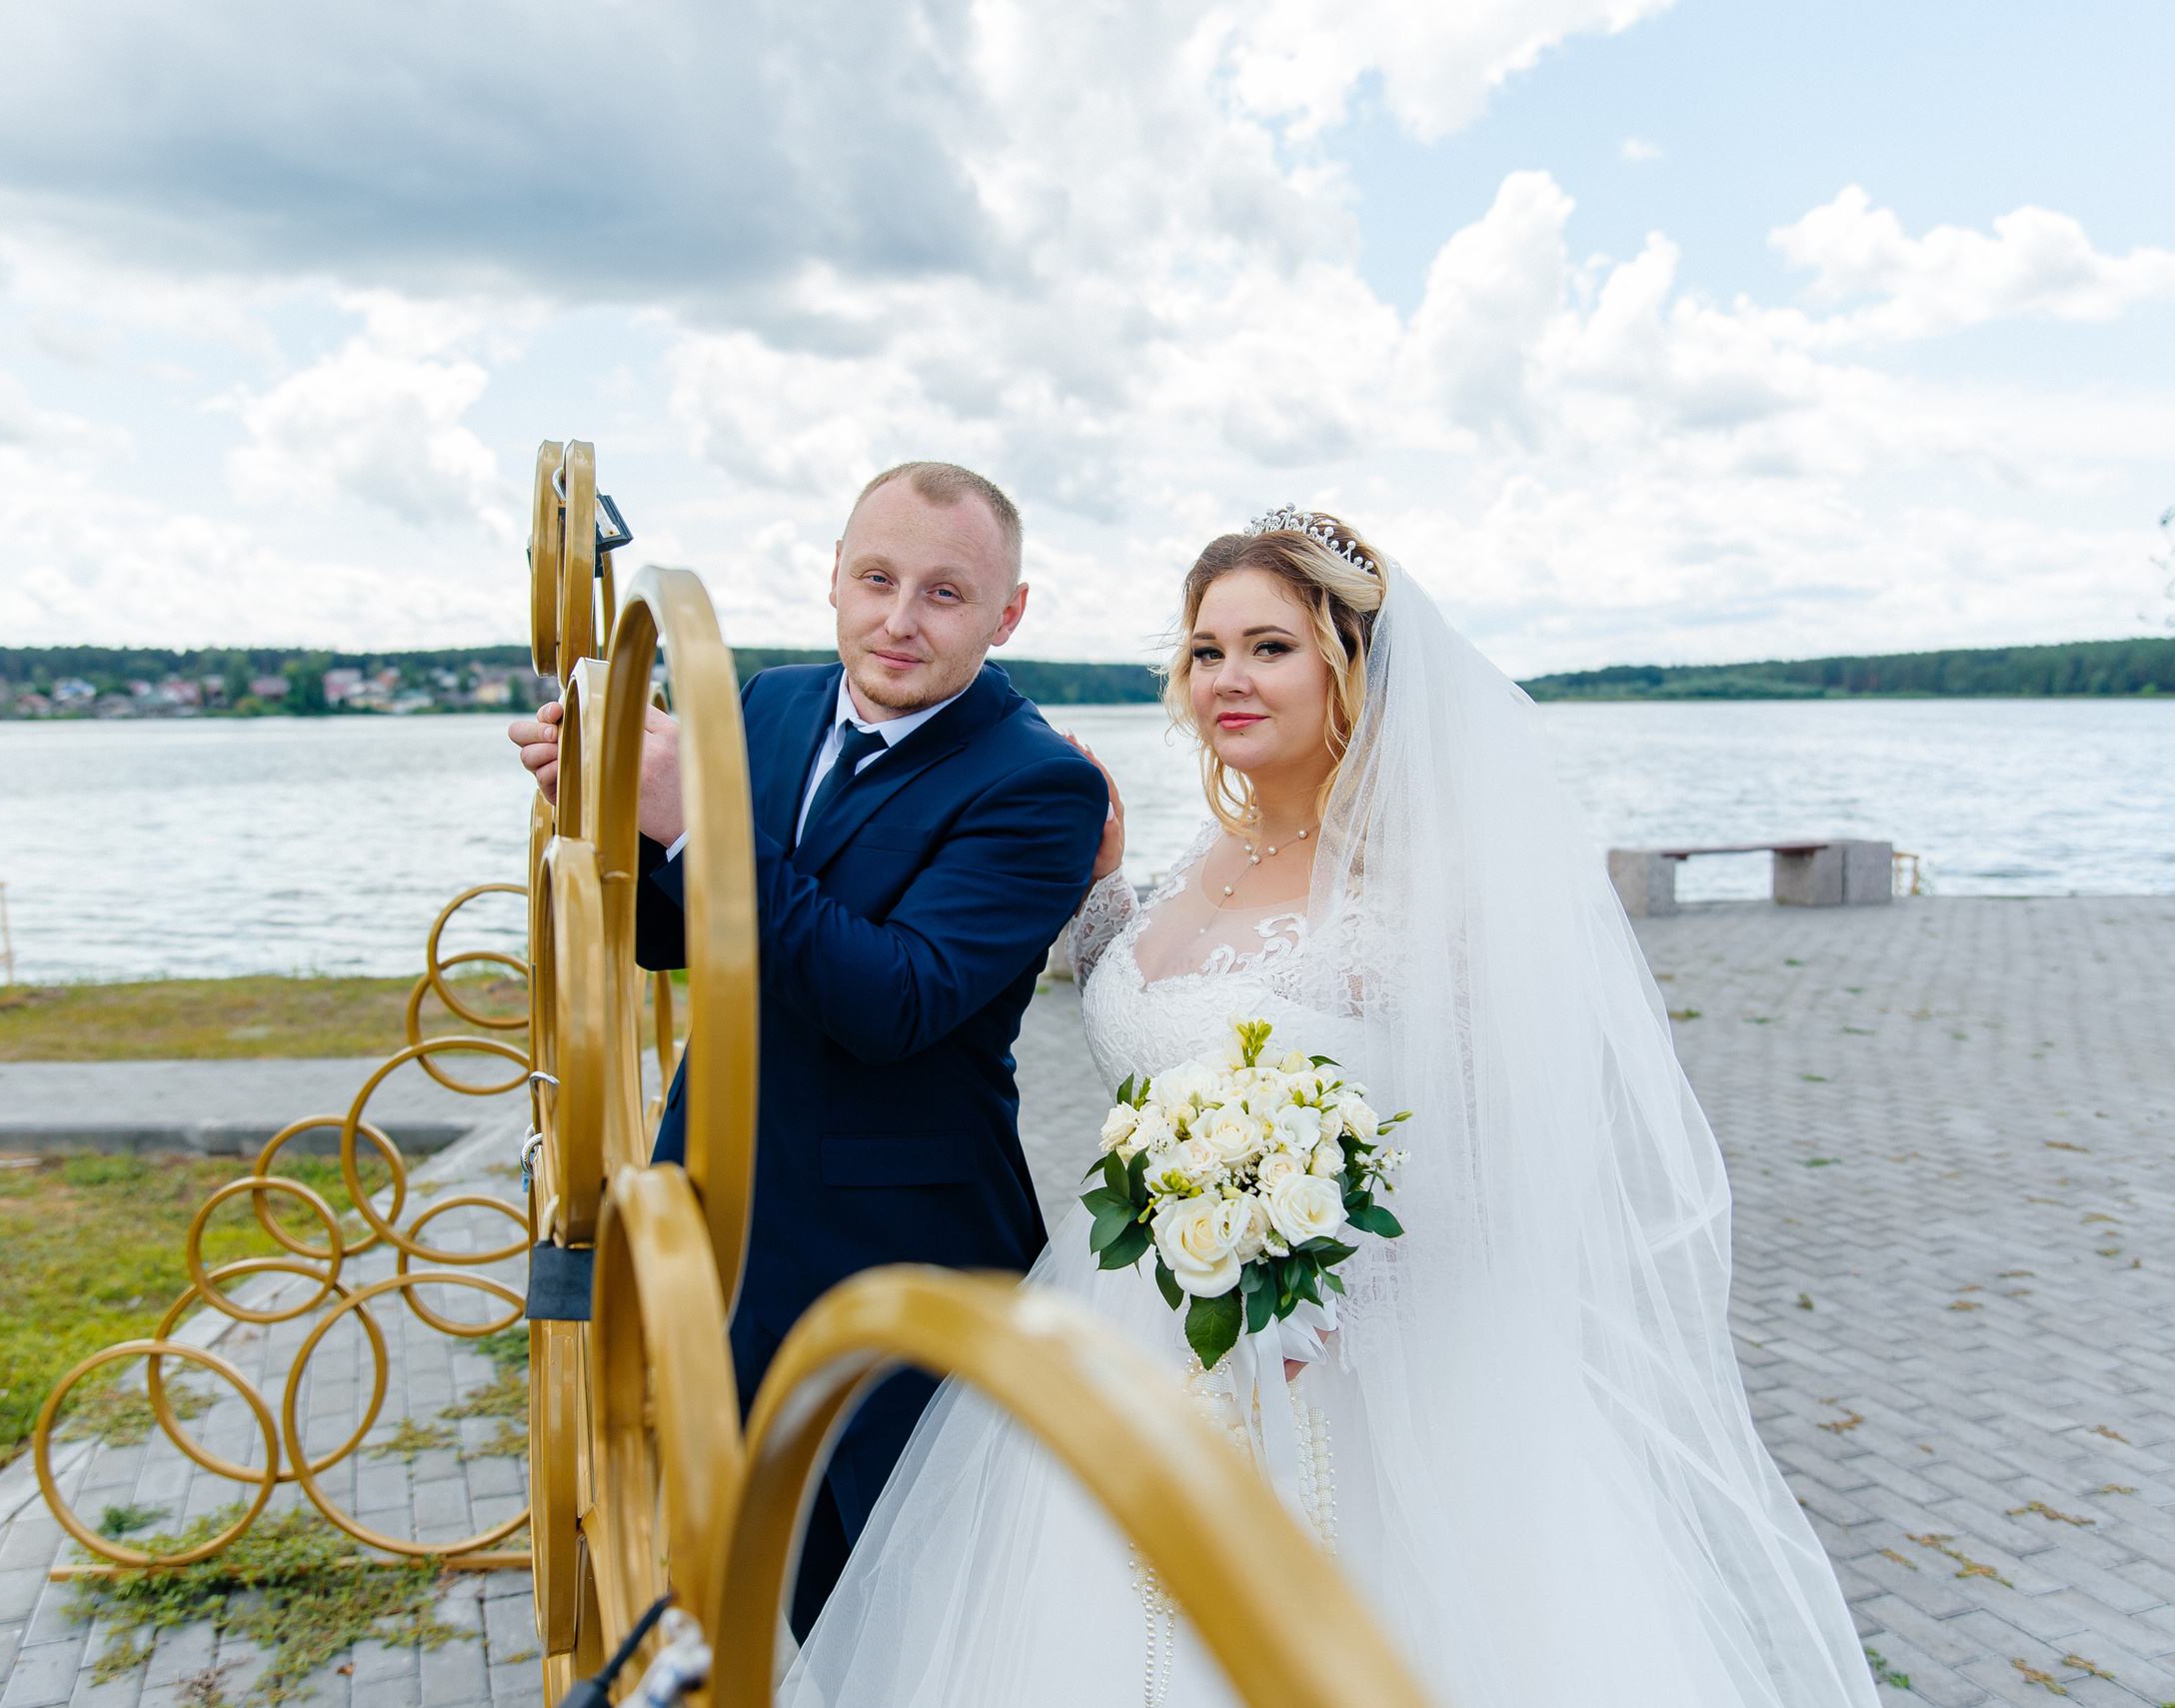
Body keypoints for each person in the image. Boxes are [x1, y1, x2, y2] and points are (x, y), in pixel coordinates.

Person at [783, 511, 1879, 1706]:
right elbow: (1147, 1025)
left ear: (1351, 667)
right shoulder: (1209, 856)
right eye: (1206, 650)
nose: (1227, 679)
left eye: (1270, 647)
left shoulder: (1426, 889)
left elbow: (1501, 1149)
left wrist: (1322, 1299)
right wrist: (1101, 888)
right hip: (1139, 1334)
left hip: (1342, 1369)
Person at [506, 462, 1110, 1639]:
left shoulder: (1041, 783)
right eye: (876, 578)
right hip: (721, 1228)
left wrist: (697, 822)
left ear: (1009, 613)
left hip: (906, 1269)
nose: (900, 618)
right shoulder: (768, 705)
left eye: (945, 592)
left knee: (924, 1623)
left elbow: (895, 998)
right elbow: (678, 935)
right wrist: (612, 804)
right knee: (778, 1594)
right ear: (833, 576)